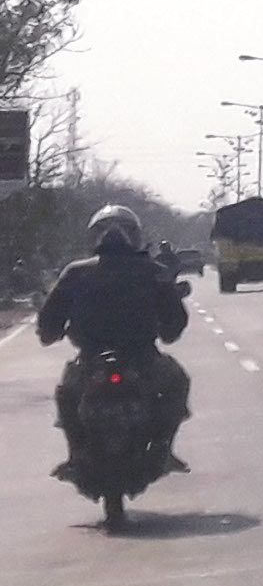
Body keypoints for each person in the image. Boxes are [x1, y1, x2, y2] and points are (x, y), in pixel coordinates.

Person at [35, 205, 192, 480]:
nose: (113, 235)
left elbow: (49, 321)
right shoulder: (151, 270)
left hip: (92, 360)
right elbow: (174, 321)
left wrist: (50, 332)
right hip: (141, 358)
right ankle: (164, 447)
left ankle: (75, 455)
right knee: (177, 381)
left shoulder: (76, 272)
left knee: (66, 393)